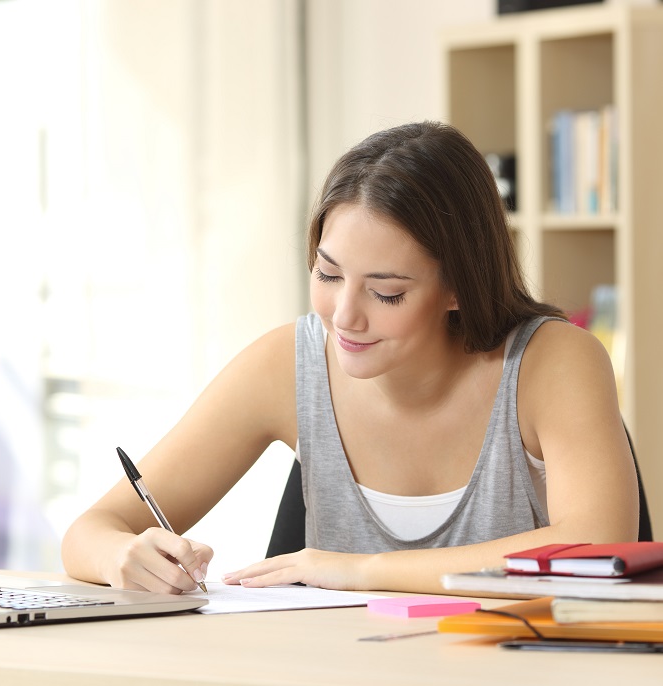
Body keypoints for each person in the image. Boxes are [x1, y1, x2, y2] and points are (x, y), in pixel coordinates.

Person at [60, 121, 639, 595]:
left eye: (386, 292)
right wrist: (123, 558)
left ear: (460, 284)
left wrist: (360, 571)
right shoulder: (288, 365)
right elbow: (89, 531)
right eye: (328, 274)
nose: (344, 316)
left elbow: (597, 540)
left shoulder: (552, 362)